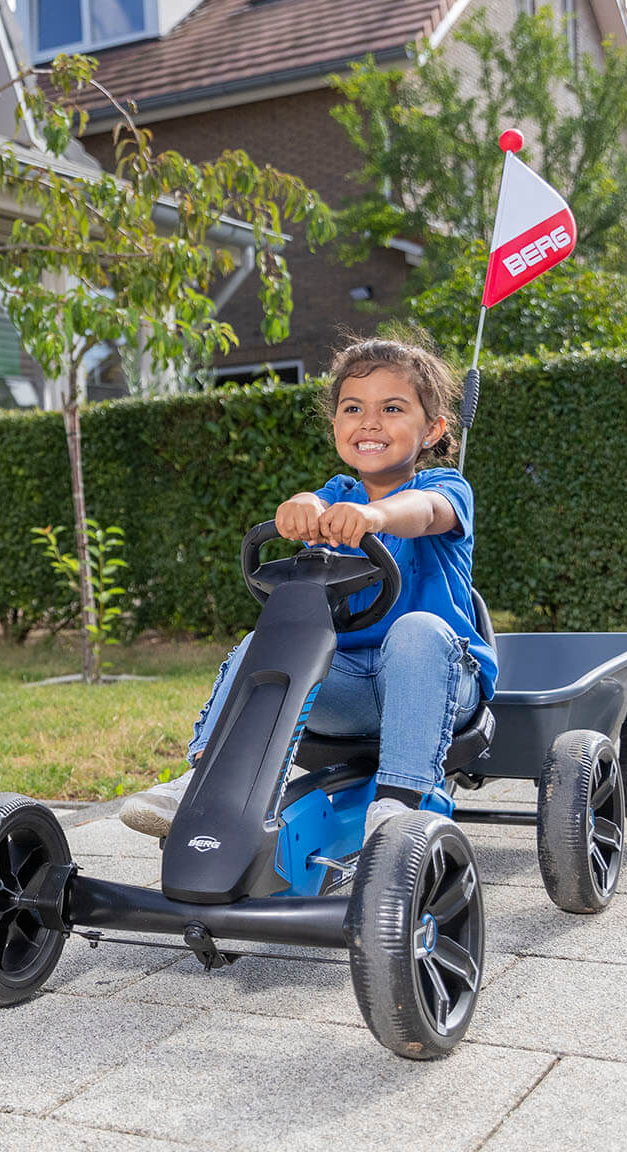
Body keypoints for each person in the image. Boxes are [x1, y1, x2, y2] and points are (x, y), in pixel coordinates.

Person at [119, 334, 497, 839]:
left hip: (437, 684)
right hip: (347, 691)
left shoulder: (445, 488)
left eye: (391, 408)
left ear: (432, 429)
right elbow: (307, 503)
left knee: (418, 630)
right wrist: (299, 509)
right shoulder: (336, 495)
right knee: (266, 642)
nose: (370, 421)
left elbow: (425, 514)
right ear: (336, 424)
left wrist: (373, 515)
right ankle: (205, 784)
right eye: (353, 407)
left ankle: (402, 803)